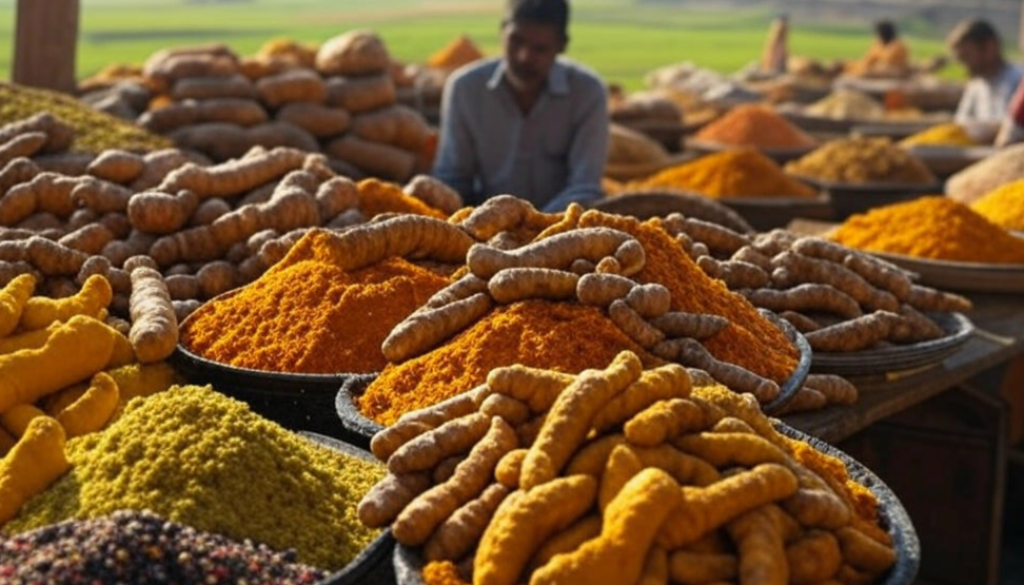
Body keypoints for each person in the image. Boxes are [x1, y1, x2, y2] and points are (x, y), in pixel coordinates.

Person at [432, 0, 608, 212]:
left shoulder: (588, 93)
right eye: (515, 42)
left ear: (562, 46)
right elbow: (453, 178)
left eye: (539, 49)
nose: (524, 57)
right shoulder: (465, 89)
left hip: (563, 231)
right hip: (483, 230)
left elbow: (585, 187)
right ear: (502, 32)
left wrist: (539, 228)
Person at [948, 19, 1024, 135]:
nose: (964, 66)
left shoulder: (1018, 80)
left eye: (967, 56)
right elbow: (960, 122)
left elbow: (1015, 128)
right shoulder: (976, 85)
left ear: (989, 47)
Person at [847, 20, 911, 78]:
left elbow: (887, 63)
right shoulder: (878, 43)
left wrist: (868, 67)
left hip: (892, 71)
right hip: (876, 68)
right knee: (841, 64)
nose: (878, 35)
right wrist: (860, 66)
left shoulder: (898, 45)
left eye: (880, 32)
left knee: (866, 73)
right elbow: (869, 58)